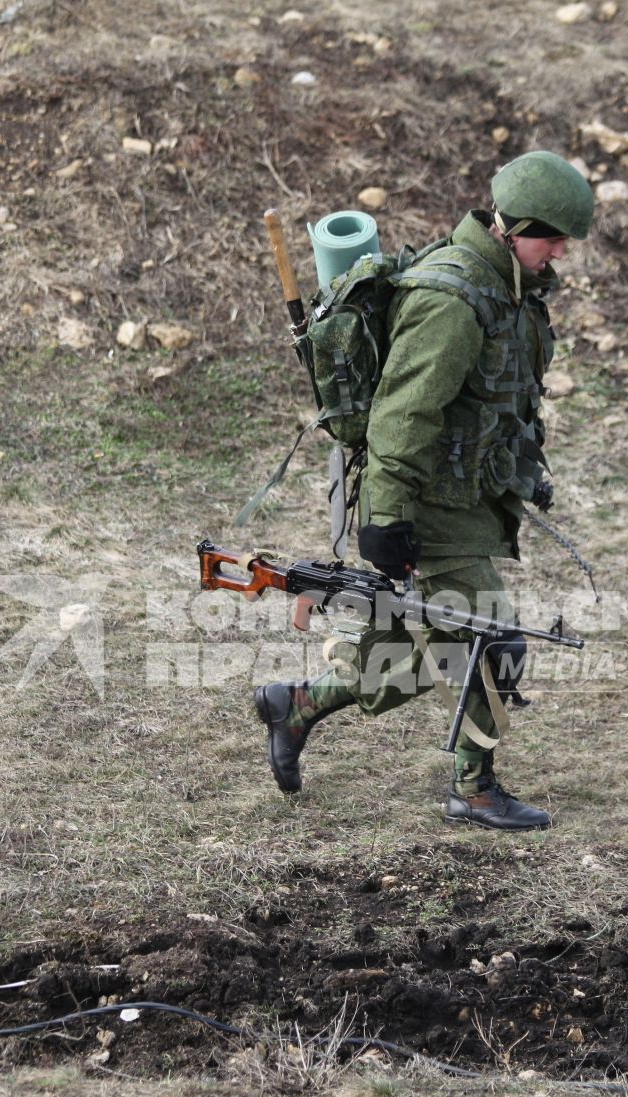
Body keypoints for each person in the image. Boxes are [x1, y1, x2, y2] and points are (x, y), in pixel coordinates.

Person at [252, 151, 594, 831]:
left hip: (464, 498)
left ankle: (297, 706)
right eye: (552, 236)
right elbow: (403, 415)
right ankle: (474, 789)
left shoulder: (505, 284)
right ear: (510, 225)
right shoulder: (452, 299)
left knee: (424, 647)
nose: (560, 251)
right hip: (424, 505)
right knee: (492, 642)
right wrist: (385, 519)